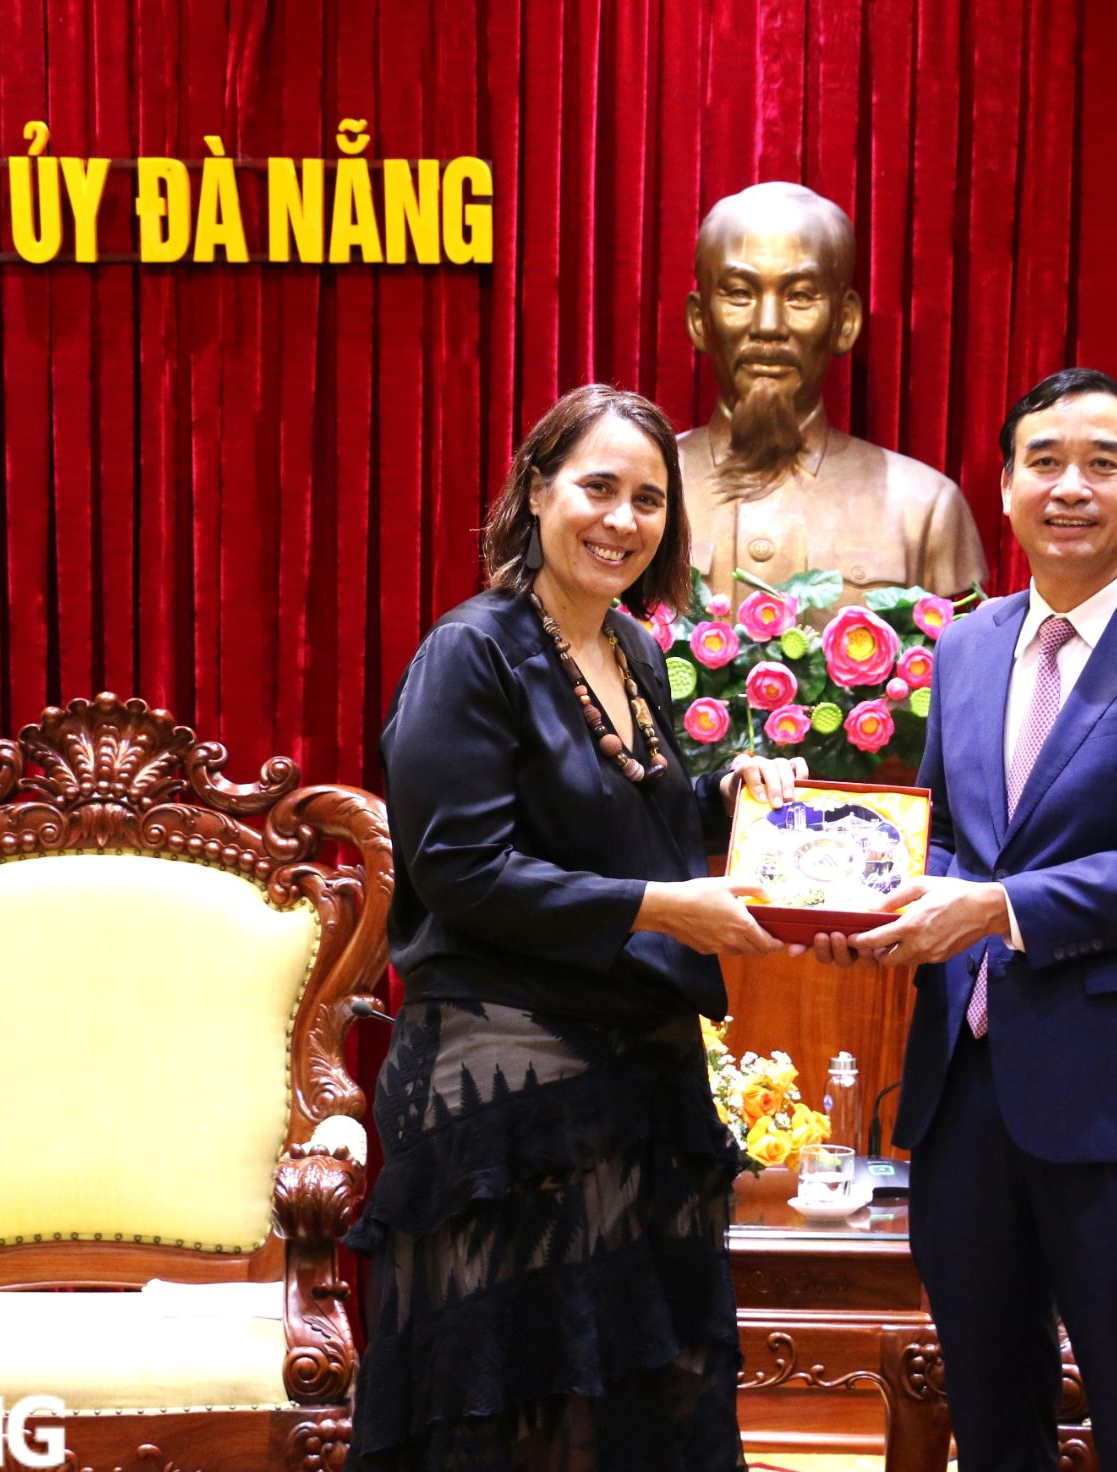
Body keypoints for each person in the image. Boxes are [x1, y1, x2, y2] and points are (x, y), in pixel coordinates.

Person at [816, 368, 1117, 1471]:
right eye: (1042, 462)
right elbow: (940, 839)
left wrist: (1000, 905)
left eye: (1100, 463)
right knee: (989, 1407)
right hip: (961, 1087)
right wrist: (849, 889)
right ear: (1006, 487)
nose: (1068, 486)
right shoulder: (966, 644)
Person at [346, 384, 805, 1471]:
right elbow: (459, 868)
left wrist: (724, 800)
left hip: (635, 1075)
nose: (621, 518)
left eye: (649, 497)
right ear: (536, 491)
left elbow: (614, 824)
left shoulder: (631, 650)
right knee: (528, 1407)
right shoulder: (472, 649)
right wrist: (659, 905)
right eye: (596, 486)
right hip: (507, 1089)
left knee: (642, 1394)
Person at [679, 182, 987, 615]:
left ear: (844, 322)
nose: (769, 326)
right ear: (699, 320)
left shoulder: (925, 510)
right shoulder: (637, 494)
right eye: (740, 294)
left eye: (800, 296)